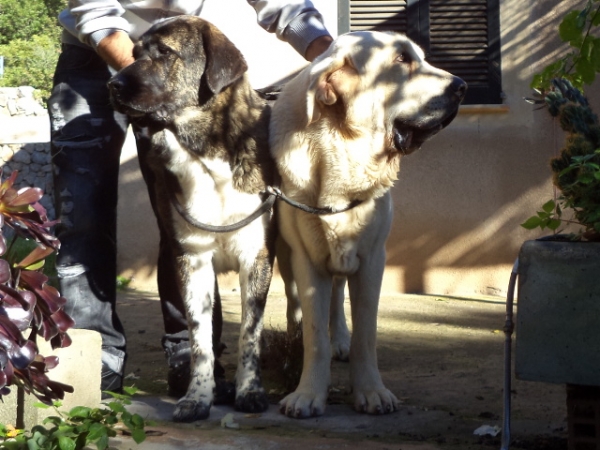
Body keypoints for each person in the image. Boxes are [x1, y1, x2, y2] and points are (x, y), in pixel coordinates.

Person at [48, 0, 333, 396]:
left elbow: (285, 4)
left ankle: (189, 353)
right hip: (94, 58)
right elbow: (95, 11)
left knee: (183, 221)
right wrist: (144, 77)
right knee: (80, 213)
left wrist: (333, 59)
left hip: (176, 60)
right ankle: (90, 356)